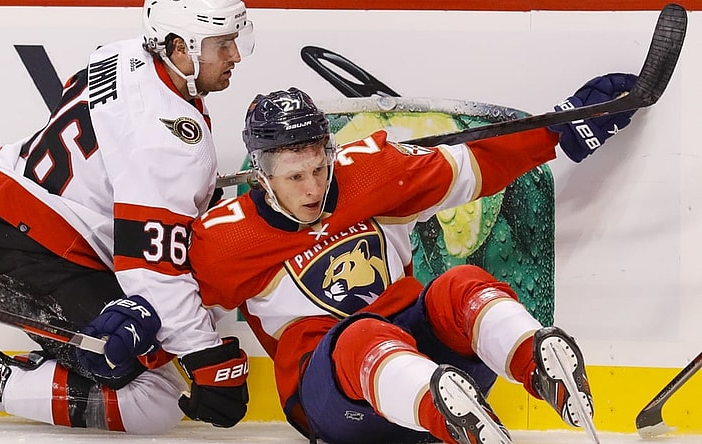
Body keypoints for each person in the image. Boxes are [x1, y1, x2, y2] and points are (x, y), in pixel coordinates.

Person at [187, 78, 637, 444]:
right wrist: (140, 345)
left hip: (427, 356)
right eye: (295, 177)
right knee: (362, 332)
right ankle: (445, 413)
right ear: (263, 177)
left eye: (320, 168)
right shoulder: (225, 239)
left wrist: (557, 129)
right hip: (333, 400)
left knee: (460, 284)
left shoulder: (372, 173)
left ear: (329, 153)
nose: (313, 189)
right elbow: (173, 301)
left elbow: (472, 166)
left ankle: (537, 363)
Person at [0, 0, 253, 435]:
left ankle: (48, 361)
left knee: (153, 339)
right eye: (222, 44)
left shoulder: (122, 53)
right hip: (29, 258)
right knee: (156, 399)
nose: (235, 56)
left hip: (16, 224)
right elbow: (152, 271)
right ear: (178, 47)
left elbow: (117, 157)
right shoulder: (167, 140)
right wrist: (206, 359)